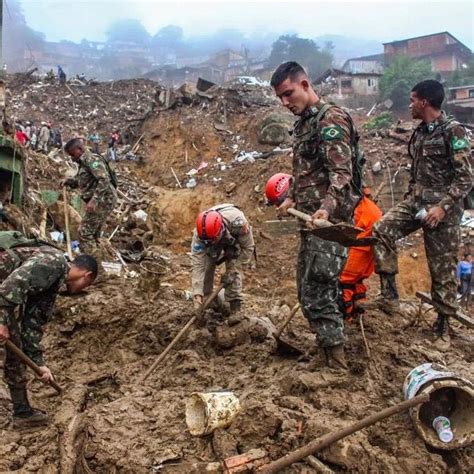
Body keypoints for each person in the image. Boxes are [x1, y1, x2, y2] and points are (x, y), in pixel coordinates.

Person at [270, 62, 363, 369]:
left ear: (305, 84)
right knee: (305, 288)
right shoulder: (304, 124)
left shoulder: (331, 119)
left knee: (319, 286)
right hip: (309, 220)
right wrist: (292, 197)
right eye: (280, 97)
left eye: (288, 93)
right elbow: (306, 170)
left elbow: (341, 174)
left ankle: (336, 362)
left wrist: (327, 208)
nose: (285, 102)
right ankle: (325, 350)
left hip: (329, 223)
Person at [372, 80, 472, 350]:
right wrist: (411, 198)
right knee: (381, 229)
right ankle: (390, 295)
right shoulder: (419, 133)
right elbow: (417, 173)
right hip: (415, 204)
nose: (409, 104)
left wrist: (442, 207)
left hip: (442, 212)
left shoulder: (454, 131)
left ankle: (442, 325)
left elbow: (466, 178)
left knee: (442, 270)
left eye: (413, 99)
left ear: (425, 102)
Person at [0, 232, 97, 427]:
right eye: (87, 284)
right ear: (86, 275)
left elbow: (33, 322)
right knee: (14, 353)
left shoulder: (53, 282)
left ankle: (22, 412)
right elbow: (11, 285)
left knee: (16, 352)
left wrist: (39, 363)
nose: (81, 289)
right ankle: (22, 413)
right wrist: (1, 321)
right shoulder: (54, 261)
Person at [265, 174, 382, 319]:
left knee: (341, 278)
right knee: (354, 279)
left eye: (280, 202)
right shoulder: (313, 185)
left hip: (363, 223)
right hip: (370, 218)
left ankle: (343, 324)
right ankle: (358, 316)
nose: (281, 207)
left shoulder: (315, 196)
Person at [191, 204, 255, 317]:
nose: (208, 243)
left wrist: (234, 269)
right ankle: (207, 301)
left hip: (233, 240)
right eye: (206, 241)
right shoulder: (199, 235)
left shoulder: (238, 224)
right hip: (214, 242)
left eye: (212, 240)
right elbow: (198, 264)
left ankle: (235, 307)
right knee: (206, 264)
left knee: (233, 270)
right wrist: (197, 292)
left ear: (221, 230)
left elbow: (248, 248)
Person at [63, 138, 117, 254]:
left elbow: (104, 179)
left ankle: (93, 264)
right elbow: (83, 181)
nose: (72, 158)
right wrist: (69, 181)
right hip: (101, 200)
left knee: (85, 233)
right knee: (93, 233)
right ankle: (98, 257)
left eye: (73, 154)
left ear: (79, 149)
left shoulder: (91, 159)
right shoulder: (83, 163)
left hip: (103, 200)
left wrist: (94, 201)